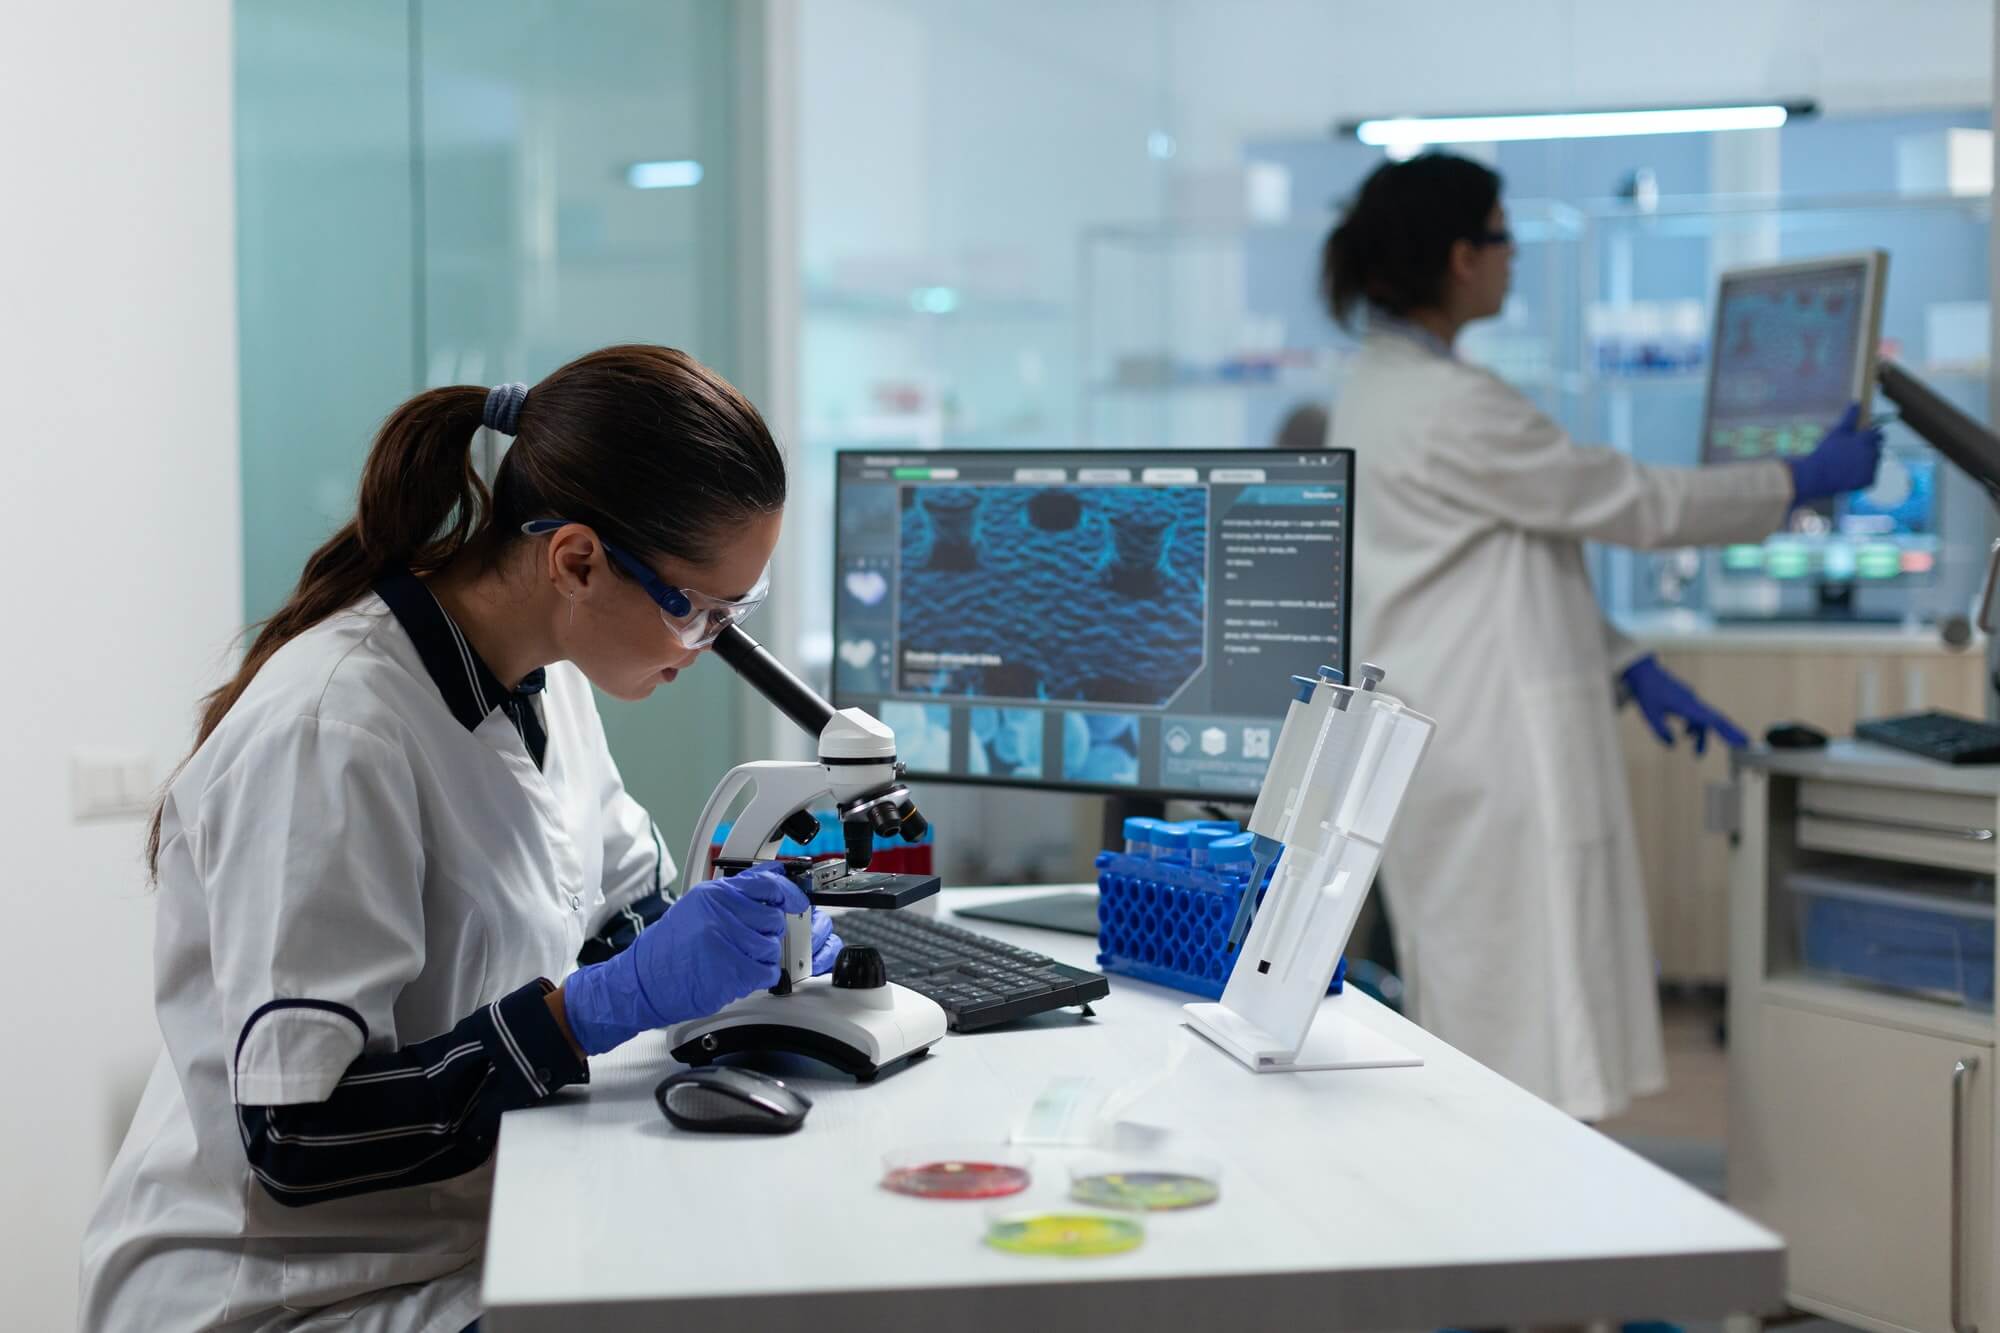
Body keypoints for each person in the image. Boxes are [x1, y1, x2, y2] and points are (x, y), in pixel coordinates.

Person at [79, 345, 843, 1331]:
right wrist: (594, 1009)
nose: (705, 649)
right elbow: (300, 1134)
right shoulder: (335, 729)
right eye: (699, 612)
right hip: (290, 1288)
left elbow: (615, 910)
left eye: (739, 614)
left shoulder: (544, 682)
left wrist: (718, 937)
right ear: (574, 559)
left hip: (468, 1229)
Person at [1320, 154, 1882, 1121]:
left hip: (1451, 740)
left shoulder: (1381, 384)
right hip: (1495, 755)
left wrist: (1627, 661)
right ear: (1461, 258)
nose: (1513, 257)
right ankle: (1524, 1231)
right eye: (1502, 235)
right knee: (1522, 1025)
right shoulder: (1453, 406)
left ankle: (1519, 1213)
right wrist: (1794, 481)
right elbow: (1627, 499)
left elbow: (1508, 558)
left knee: (1502, 1008)